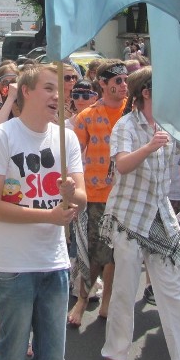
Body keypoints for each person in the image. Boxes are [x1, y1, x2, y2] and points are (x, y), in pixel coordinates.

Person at [99, 67, 180, 360]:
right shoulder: (126, 125)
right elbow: (122, 165)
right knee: (125, 289)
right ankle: (115, 353)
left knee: (171, 289)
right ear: (147, 93)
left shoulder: (169, 127)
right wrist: (149, 146)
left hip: (159, 218)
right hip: (128, 218)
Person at [0, 64, 86, 360]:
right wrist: (50, 216)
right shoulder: (2, 138)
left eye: (61, 89)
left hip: (53, 262)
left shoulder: (66, 138)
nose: (59, 95)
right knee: (11, 358)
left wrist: (72, 194)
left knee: (52, 359)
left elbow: (81, 197)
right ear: (26, 91)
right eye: (49, 88)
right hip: (11, 266)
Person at [68, 60, 130, 328]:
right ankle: (82, 300)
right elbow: (74, 159)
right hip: (96, 195)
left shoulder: (133, 113)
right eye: (117, 81)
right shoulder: (87, 117)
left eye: (126, 80)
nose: (123, 85)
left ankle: (106, 302)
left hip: (127, 194)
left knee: (116, 253)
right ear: (102, 83)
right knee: (94, 252)